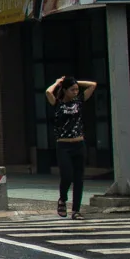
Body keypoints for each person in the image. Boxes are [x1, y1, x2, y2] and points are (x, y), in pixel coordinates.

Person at [47, 74, 99, 218]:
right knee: (67, 175)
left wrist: (76, 82)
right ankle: (62, 199)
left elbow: (93, 85)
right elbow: (47, 92)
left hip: (79, 144)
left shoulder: (79, 101)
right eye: (72, 90)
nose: (75, 92)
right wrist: (58, 82)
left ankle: (76, 210)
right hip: (63, 145)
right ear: (64, 90)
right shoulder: (57, 103)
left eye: (76, 89)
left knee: (78, 178)